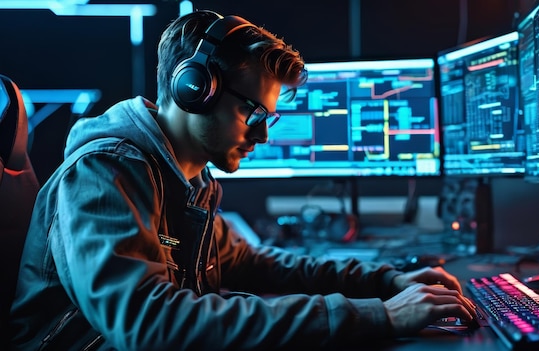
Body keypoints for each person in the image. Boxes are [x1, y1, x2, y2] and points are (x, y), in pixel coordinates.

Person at [9, 9, 477, 350]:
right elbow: (146, 323)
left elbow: (261, 265)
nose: (263, 134)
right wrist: (379, 317)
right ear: (192, 88)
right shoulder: (104, 172)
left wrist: (388, 282)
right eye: (252, 111)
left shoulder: (188, 181)